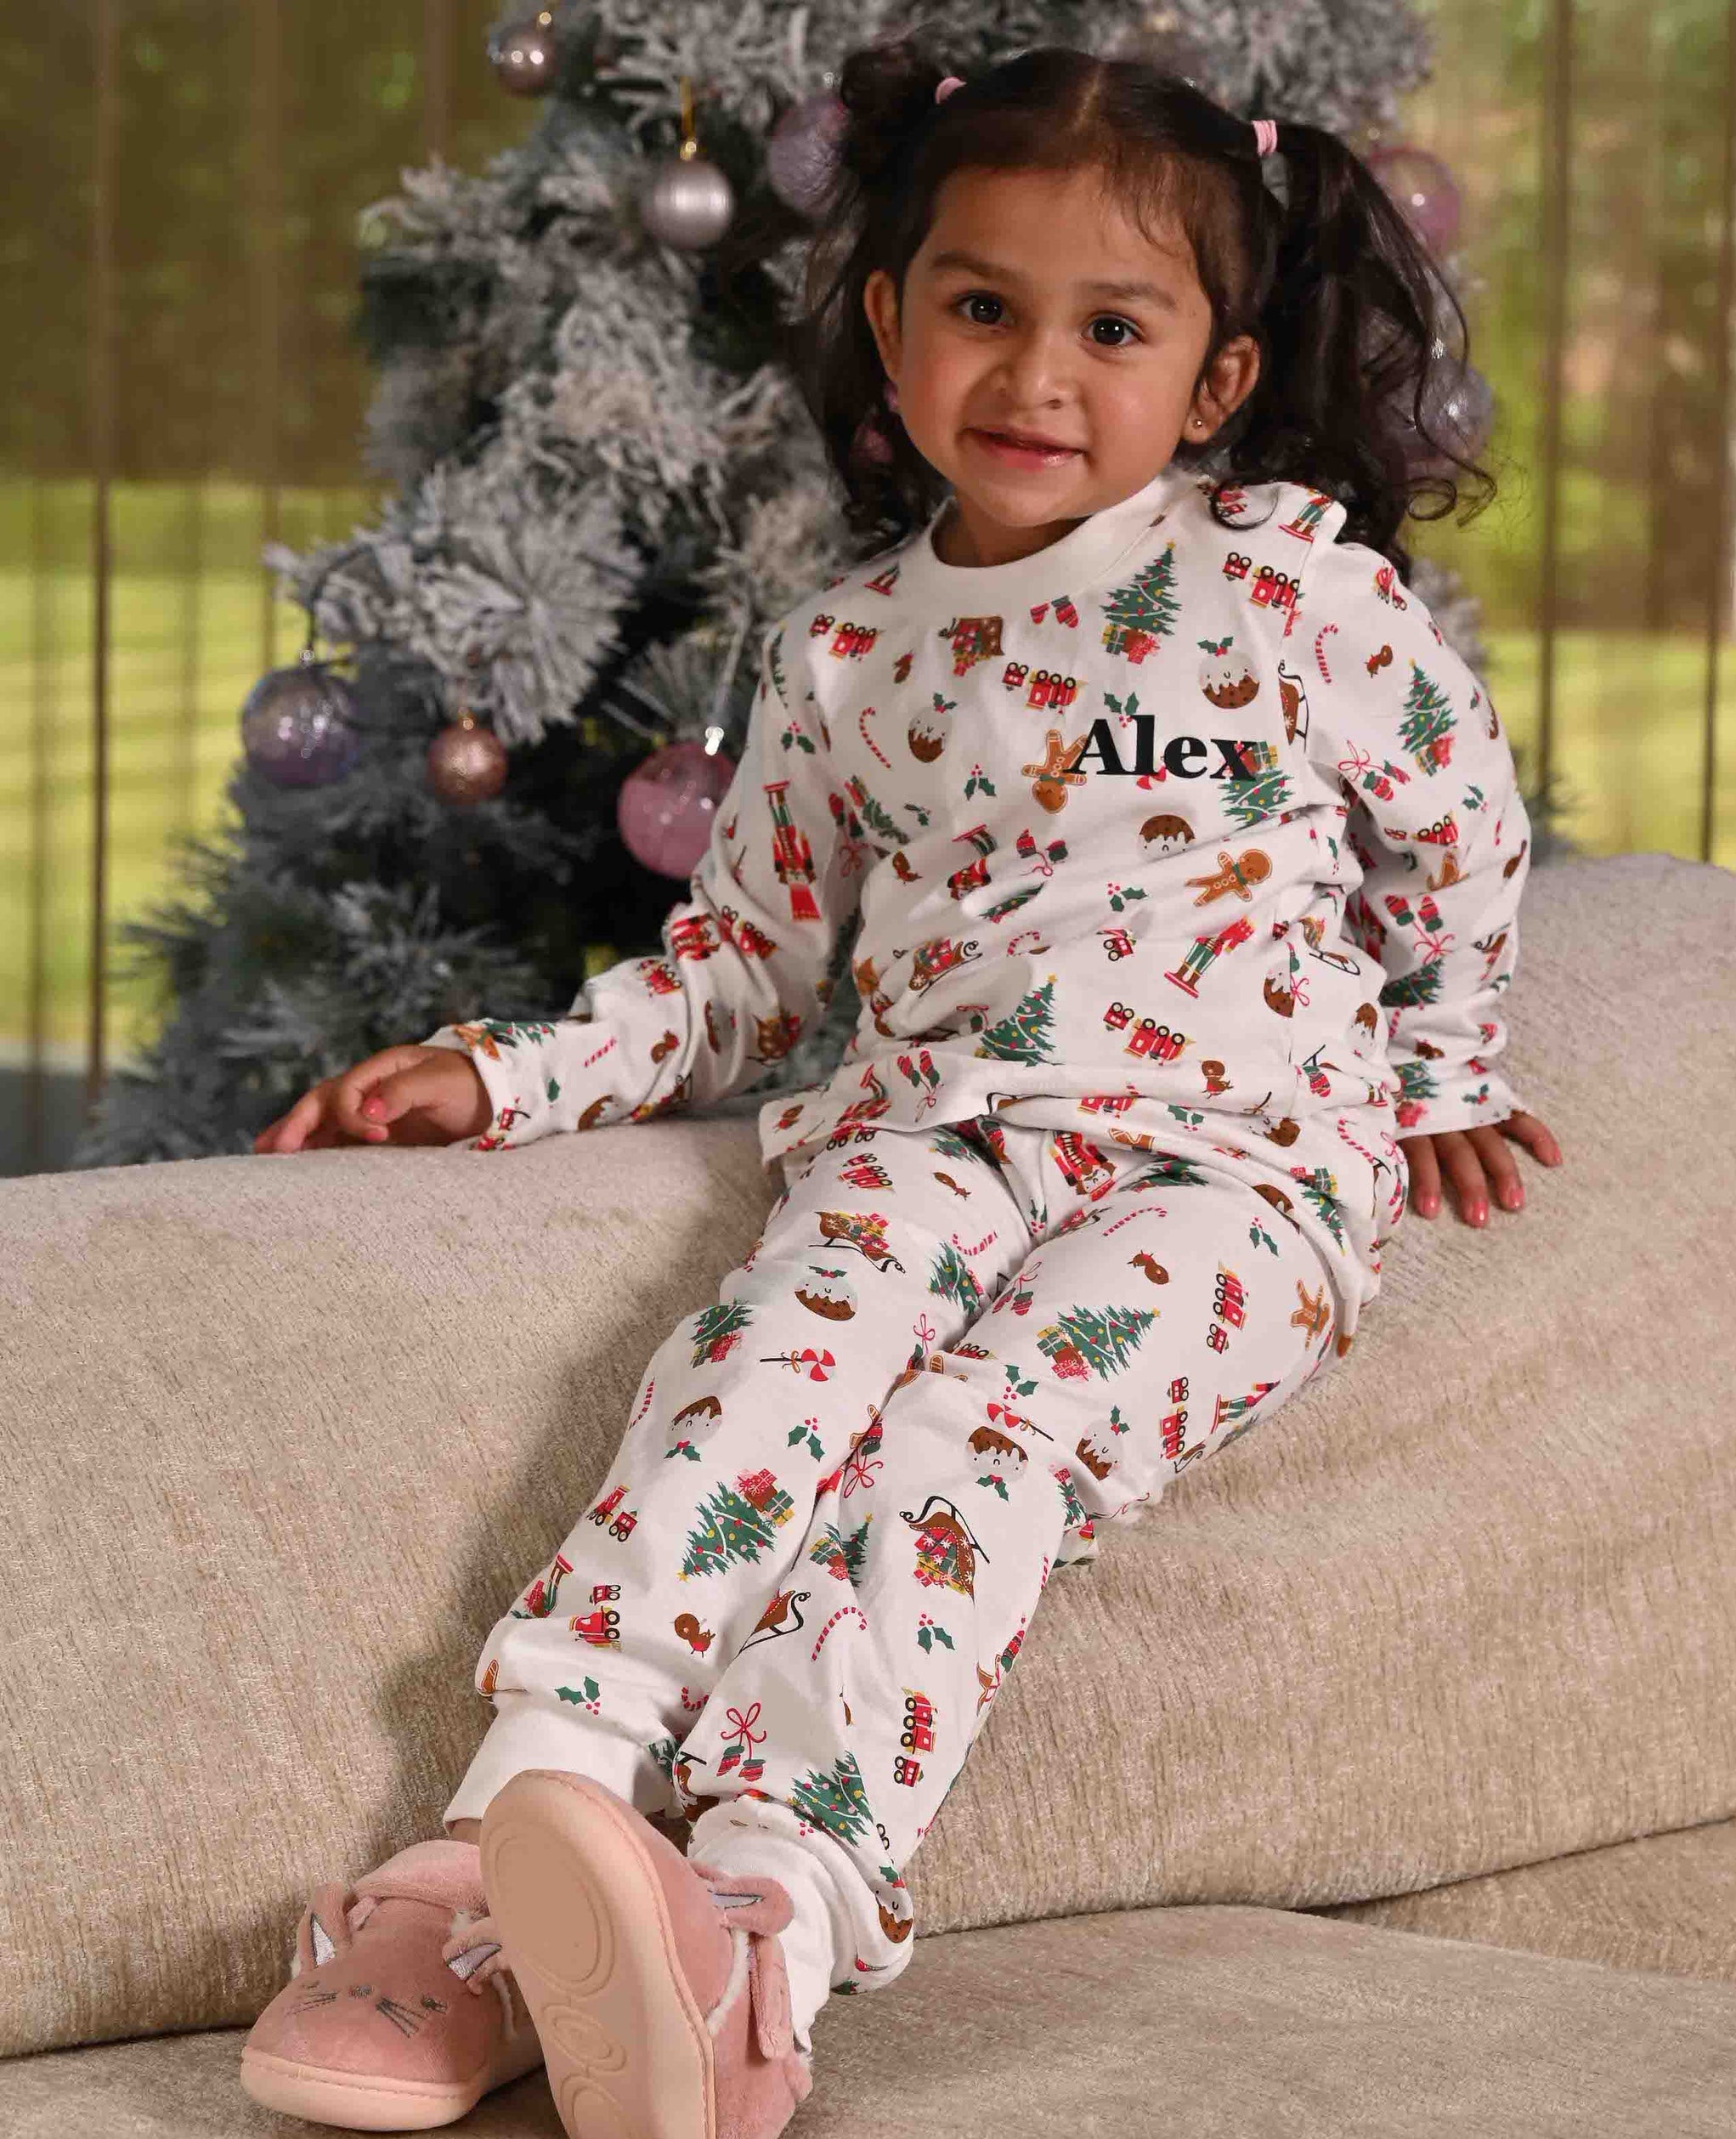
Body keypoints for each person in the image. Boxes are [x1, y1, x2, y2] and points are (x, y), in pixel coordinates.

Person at [238, 37, 1563, 2139]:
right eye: (981, 305)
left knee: (974, 1435)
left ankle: (758, 1928)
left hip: (1233, 1180)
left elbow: (1460, 825)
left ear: (1212, 379)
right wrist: (506, 1074)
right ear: (889, 318)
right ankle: (504, 1844)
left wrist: (1440, 1068)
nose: (1035, 374)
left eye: (1111, 329)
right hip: (929, 1140)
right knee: (760, 1362)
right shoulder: (850, 650)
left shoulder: (1291, 590)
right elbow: (744, 967)